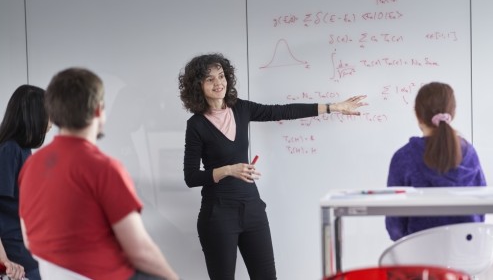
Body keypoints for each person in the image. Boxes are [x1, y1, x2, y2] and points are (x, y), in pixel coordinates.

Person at [178, 53, 368, 280]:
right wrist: (229, 170)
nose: (219, 83)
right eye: (210, 79)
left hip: (252, 208)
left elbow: (283, 111)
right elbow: (191, 177)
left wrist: (333, 107)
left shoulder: (241, 109)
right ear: (197, 85)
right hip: (218, 214)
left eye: (221, 76)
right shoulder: (196, 125)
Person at [18, 68, 180, 280]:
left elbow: (28, 239)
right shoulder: (104, 168)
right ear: (98, 110)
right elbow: (141, 252)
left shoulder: (31, 165)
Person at [385, 82, 486, 241]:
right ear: (453, 113)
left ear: (417, 114)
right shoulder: (469, 154)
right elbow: (481, 210)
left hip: (419, 257)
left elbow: (395, 227)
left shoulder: (404, 157)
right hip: (467, 256)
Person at [0, 85, 50, 280]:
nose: (52, 122)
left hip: (30, 251)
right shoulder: (9, 151)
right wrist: (4, 260)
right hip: (17, 259)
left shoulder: (22, 150)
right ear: (33, 115)